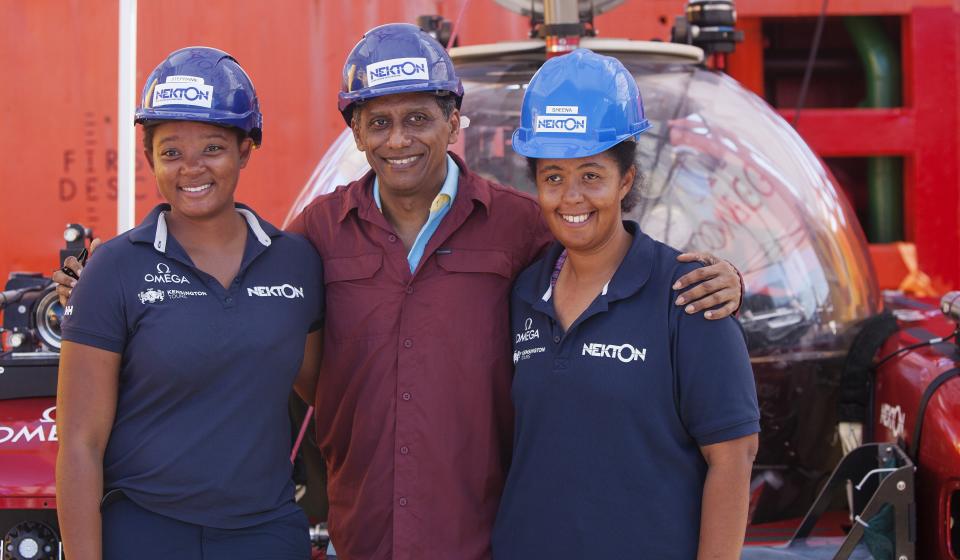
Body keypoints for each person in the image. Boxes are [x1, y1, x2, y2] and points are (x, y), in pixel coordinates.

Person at [56, 25, 742, 560]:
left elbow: (597, 245)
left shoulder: (515, 226)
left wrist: (720, 279)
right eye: (378, 122)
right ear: (354, 132)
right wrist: (103, 279)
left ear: (453, 120)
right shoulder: (314, 235)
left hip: (482, 533)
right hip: (364, 531)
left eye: (418, 118)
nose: (399, 140)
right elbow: (235, 305)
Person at [56, 47, 323, 560]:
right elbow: (80, 445)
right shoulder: (113, 268)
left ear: (246, 150)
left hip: (265, 534)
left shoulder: (296, 263)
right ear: (149, 158)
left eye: (214, 148)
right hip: (144, 532)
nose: (191, 169)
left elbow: (326, 397)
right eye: (171, 151)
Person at [491, 49, 760, 559]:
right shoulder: (523, 294)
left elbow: (734, 457)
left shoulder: (687, 294)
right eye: (553, 177)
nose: (571, 197)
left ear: (626, 180)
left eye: (591, 175)